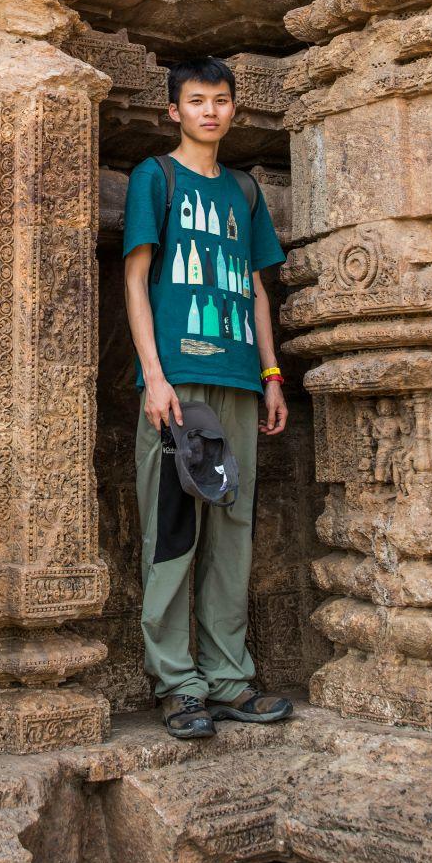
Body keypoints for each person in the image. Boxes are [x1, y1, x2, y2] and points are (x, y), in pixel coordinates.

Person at [122, 55, 294, 740]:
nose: (210, 111)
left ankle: (227, 680)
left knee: (233, 531)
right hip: (177, 383)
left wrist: (272, 375)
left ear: (232, 109)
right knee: (172, 530)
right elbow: (136, 281)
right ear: (175, 110)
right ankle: (175, 683)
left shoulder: (244, 192)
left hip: (239, 384)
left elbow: (255, 289)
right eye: (196, 100)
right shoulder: (155, 178)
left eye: (220, 101)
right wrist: (154, 377)